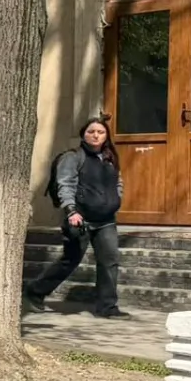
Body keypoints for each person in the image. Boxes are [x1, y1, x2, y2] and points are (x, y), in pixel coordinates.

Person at [26, 117, 127, 318]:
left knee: (110, 261)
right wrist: (71, 211)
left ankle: (107, 307)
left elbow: (118, 181)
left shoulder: (109, 157)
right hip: (80, 219)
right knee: (70, 260)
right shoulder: (73, 157)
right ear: (83, 134)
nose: (96, 135)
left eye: (101, 132)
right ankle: (34, 291)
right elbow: (66, 184)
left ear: (106, 135)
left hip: (105, 220)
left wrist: (117, 198)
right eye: (91, 132)